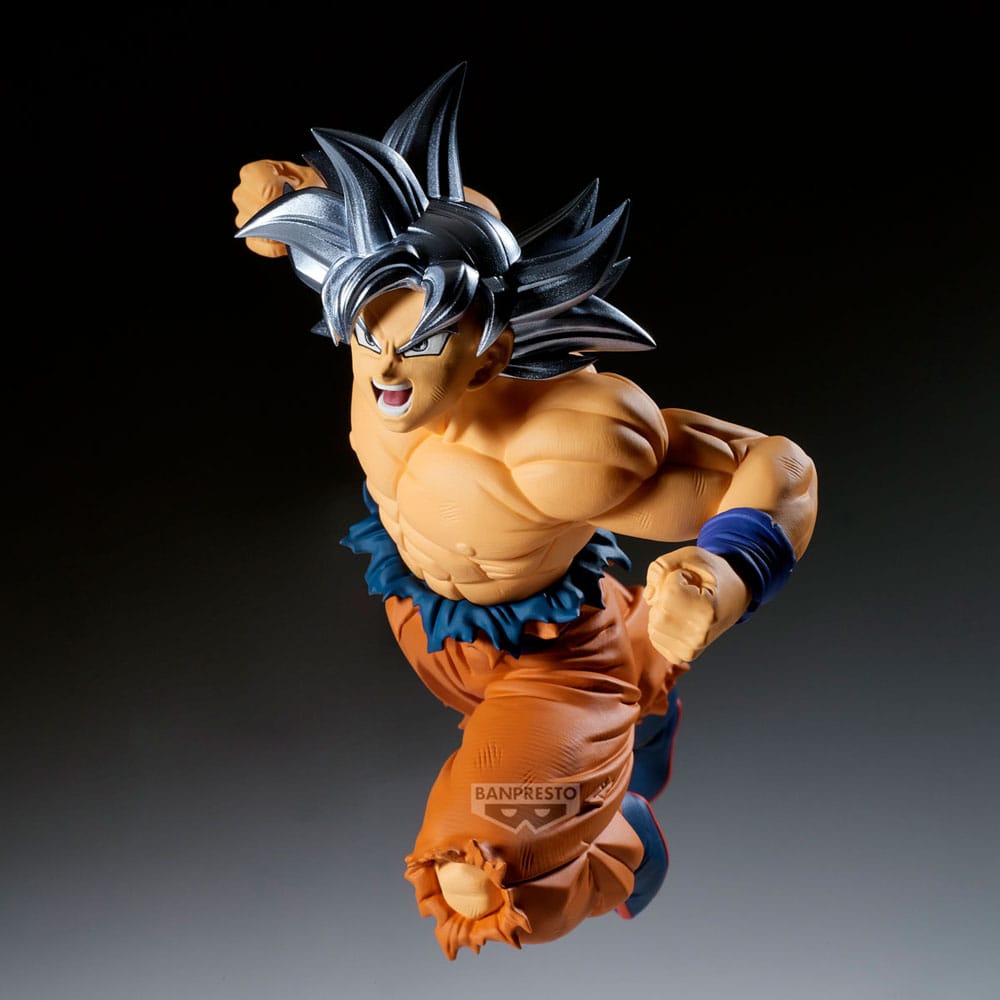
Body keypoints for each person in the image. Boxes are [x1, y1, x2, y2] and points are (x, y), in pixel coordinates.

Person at [232, 63, 818, 959]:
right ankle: (638, 697)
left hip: (556, 666)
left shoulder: (561, 444)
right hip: (426, 623)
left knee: (477, 873)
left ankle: (619, 842)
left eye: (422, 345)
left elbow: (776, 467)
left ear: (489, 351)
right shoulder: (386, 287)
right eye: (371, 336)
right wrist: (303, 198)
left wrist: (728, 570)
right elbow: (418, 218)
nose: (386, 369)